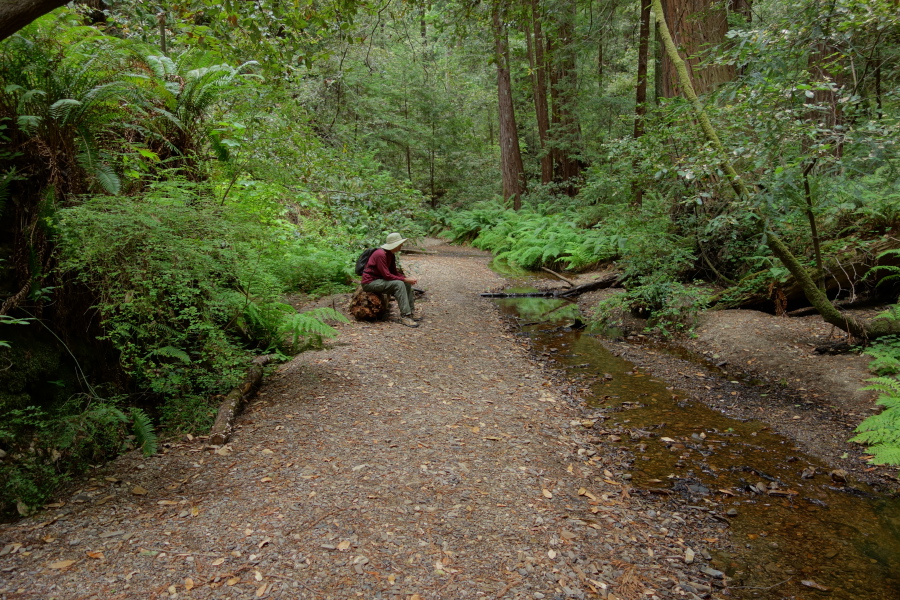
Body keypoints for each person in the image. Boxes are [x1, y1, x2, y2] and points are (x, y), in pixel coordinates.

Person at [361, 233, 421, 328]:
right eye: (400, 244)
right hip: (370, 283)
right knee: (399, 284)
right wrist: (404, 279)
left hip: (379, 280)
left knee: (405, 284)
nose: (401, 246)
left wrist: (407, 279)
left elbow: (394, 272)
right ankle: (405, 315)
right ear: (395, 245)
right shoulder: (380, 254)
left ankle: (411, 311)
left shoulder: (390, 255)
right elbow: (387, 275)